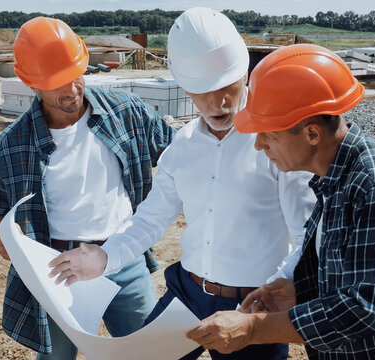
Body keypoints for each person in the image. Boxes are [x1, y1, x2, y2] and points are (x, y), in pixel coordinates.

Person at [48, 8, 316, 360]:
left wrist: (272, 291)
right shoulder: (183, 145)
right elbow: (150, 220)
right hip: (187, 295)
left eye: (227, 87)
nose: (217, 103)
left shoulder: (278, 145)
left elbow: (305, 235)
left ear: (244, 73)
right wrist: (105, 256)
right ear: (185, 86)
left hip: (252, 302)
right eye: (203, 91)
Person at [186, 44, 375, 359]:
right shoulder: (332, 178)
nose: (259, 145)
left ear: (312, 134)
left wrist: (253, 329)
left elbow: (362, 310)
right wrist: (299, 293)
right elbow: (345, 271)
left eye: (268, 135)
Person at [0, 17, 175, 360]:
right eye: (57, 84)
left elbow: (180, 155)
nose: (71, 90)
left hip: (122, 259)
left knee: (147, 354)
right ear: (31, 83)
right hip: (58, 271)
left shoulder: (126, 113)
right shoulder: (11, 147)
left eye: (75, 77)